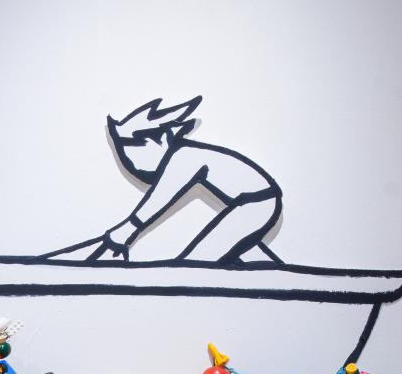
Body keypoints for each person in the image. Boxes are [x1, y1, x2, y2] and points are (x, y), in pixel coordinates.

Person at [48, 96, 282, 264]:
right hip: (254, 203)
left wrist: (125, 232)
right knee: (231, 251)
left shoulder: (183, 158)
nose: (129, 158)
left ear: (153, 140)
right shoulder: (184, 156)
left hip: (256, 204)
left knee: (197, 265)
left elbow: (160, 199)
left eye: (130, 146)